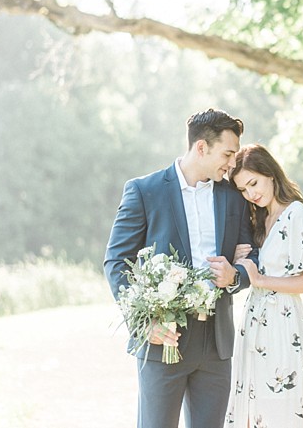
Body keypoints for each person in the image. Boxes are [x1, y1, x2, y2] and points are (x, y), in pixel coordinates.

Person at [104, 108, 258, 428]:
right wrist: (143, 323)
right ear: (201, 147)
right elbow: (117, 261)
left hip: (217, 343)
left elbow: (249, 256)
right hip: (164, 339)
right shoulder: (145, 191)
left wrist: (236, 276)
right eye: (227, 154)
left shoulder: (234, 197)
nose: (232, 164)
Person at [226, 144, 303, 428]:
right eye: (244, 189)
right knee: (250, 410)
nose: (251, 194)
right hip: (255, 324)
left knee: (278, 411)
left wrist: (259, 280)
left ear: (270, 173)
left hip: (283, 324)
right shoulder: (261, 218)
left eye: (254, 183)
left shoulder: (296, 214)